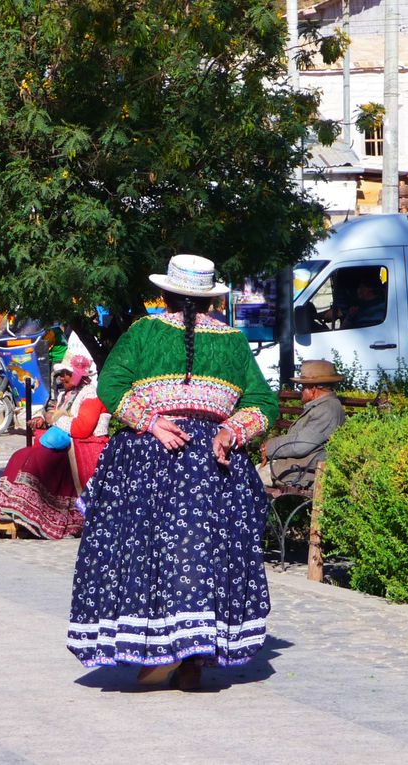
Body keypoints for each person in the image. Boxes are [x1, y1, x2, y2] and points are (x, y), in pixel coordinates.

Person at [67, 254, 279, 691]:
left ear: (165, 294)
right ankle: (192, 656)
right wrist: (230, 433)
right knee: (201, 554)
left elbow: (111, 384)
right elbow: (263, 401)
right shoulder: (235, 343)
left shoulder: (142, 332)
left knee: (146, 553)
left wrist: (150, 421)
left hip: (147, 459)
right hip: (210, 466)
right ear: (211, 300)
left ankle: (158, 650)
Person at [0, 352, 110, 538]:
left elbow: (82, 428)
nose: (62, 377)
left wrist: (54, 419)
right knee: (20, 455)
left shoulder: (91, 396)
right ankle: (12, 508)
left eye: (67, 373)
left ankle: (37, 515)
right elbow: (55, 416)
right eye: (62, 374)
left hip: (85, 444)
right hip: (69, 441)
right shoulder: (66, 395)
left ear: (77, 375)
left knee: (40, 459)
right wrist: (43, 419)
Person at [257, 360, 347, 488]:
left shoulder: (326, 409)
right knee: (250, 475)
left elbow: (300, 445)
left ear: (313, 389)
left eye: (303, 387)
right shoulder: (324, 406)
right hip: (299, 467)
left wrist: (269, 447)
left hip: (302, 471)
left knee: (249, 481)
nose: (301, 392)